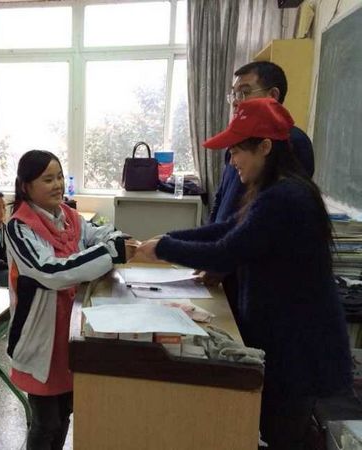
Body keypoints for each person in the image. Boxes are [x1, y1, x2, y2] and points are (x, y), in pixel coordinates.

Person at [134, 98, 352, 450]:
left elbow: (226, 251)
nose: (231, 160)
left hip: (298, 349)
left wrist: (164, 248)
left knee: (284, 434)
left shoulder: (284, 198)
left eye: (237, 151)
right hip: (288, 342)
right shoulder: (274, 191)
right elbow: (227, 230)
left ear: (265, 147)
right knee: (280, 429)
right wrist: (166, 239)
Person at [5, 150, 132, 450]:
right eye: (48, 179)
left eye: (60, 177)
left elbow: (99, 233)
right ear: (26, 186)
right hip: (39, 337)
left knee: (64, 413)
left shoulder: (69, 216)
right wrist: (109, 252)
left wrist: (114, 240)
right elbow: (49, 271)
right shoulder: (19, 227)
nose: (58, 185)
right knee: (45, 420)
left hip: (69, 331)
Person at [205, 61, 316, 316]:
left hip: (255, 279)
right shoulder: (240, 142)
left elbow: (271, 221)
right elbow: (222, 199)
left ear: (273, 95)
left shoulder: (291, 143)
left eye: (244, 92)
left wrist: (226, 259)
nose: (236, 102)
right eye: (234, 95)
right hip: (227, 266)